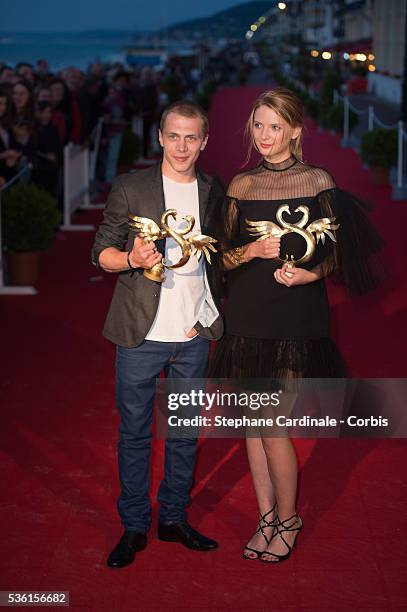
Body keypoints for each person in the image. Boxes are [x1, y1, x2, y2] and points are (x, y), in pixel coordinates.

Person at [209, 87, 383, 564]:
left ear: (295, 132)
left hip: (296, 316)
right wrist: (252, 251)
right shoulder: (241, 186)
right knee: (252, 424)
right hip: (246, 314)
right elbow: (219, 261)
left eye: (274, 127)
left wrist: (310, 272)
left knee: (271, 425)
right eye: (258, 126)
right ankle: (266, 518)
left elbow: (341, 252)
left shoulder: (318, 180)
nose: (264, 136)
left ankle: (289, 520)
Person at [92, 100, 224, 568]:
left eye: (192, 137)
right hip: (139, 335)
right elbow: (100, 253)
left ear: (204, 141)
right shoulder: (131, 187)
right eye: (174, 135)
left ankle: (173, 518)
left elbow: (222, 260)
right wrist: (132, 260)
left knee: (185, 433)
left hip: (193, 335)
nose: (182, 146)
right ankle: (133, 526)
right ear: (160, 138)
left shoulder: (213, 191)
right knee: (135, 435)